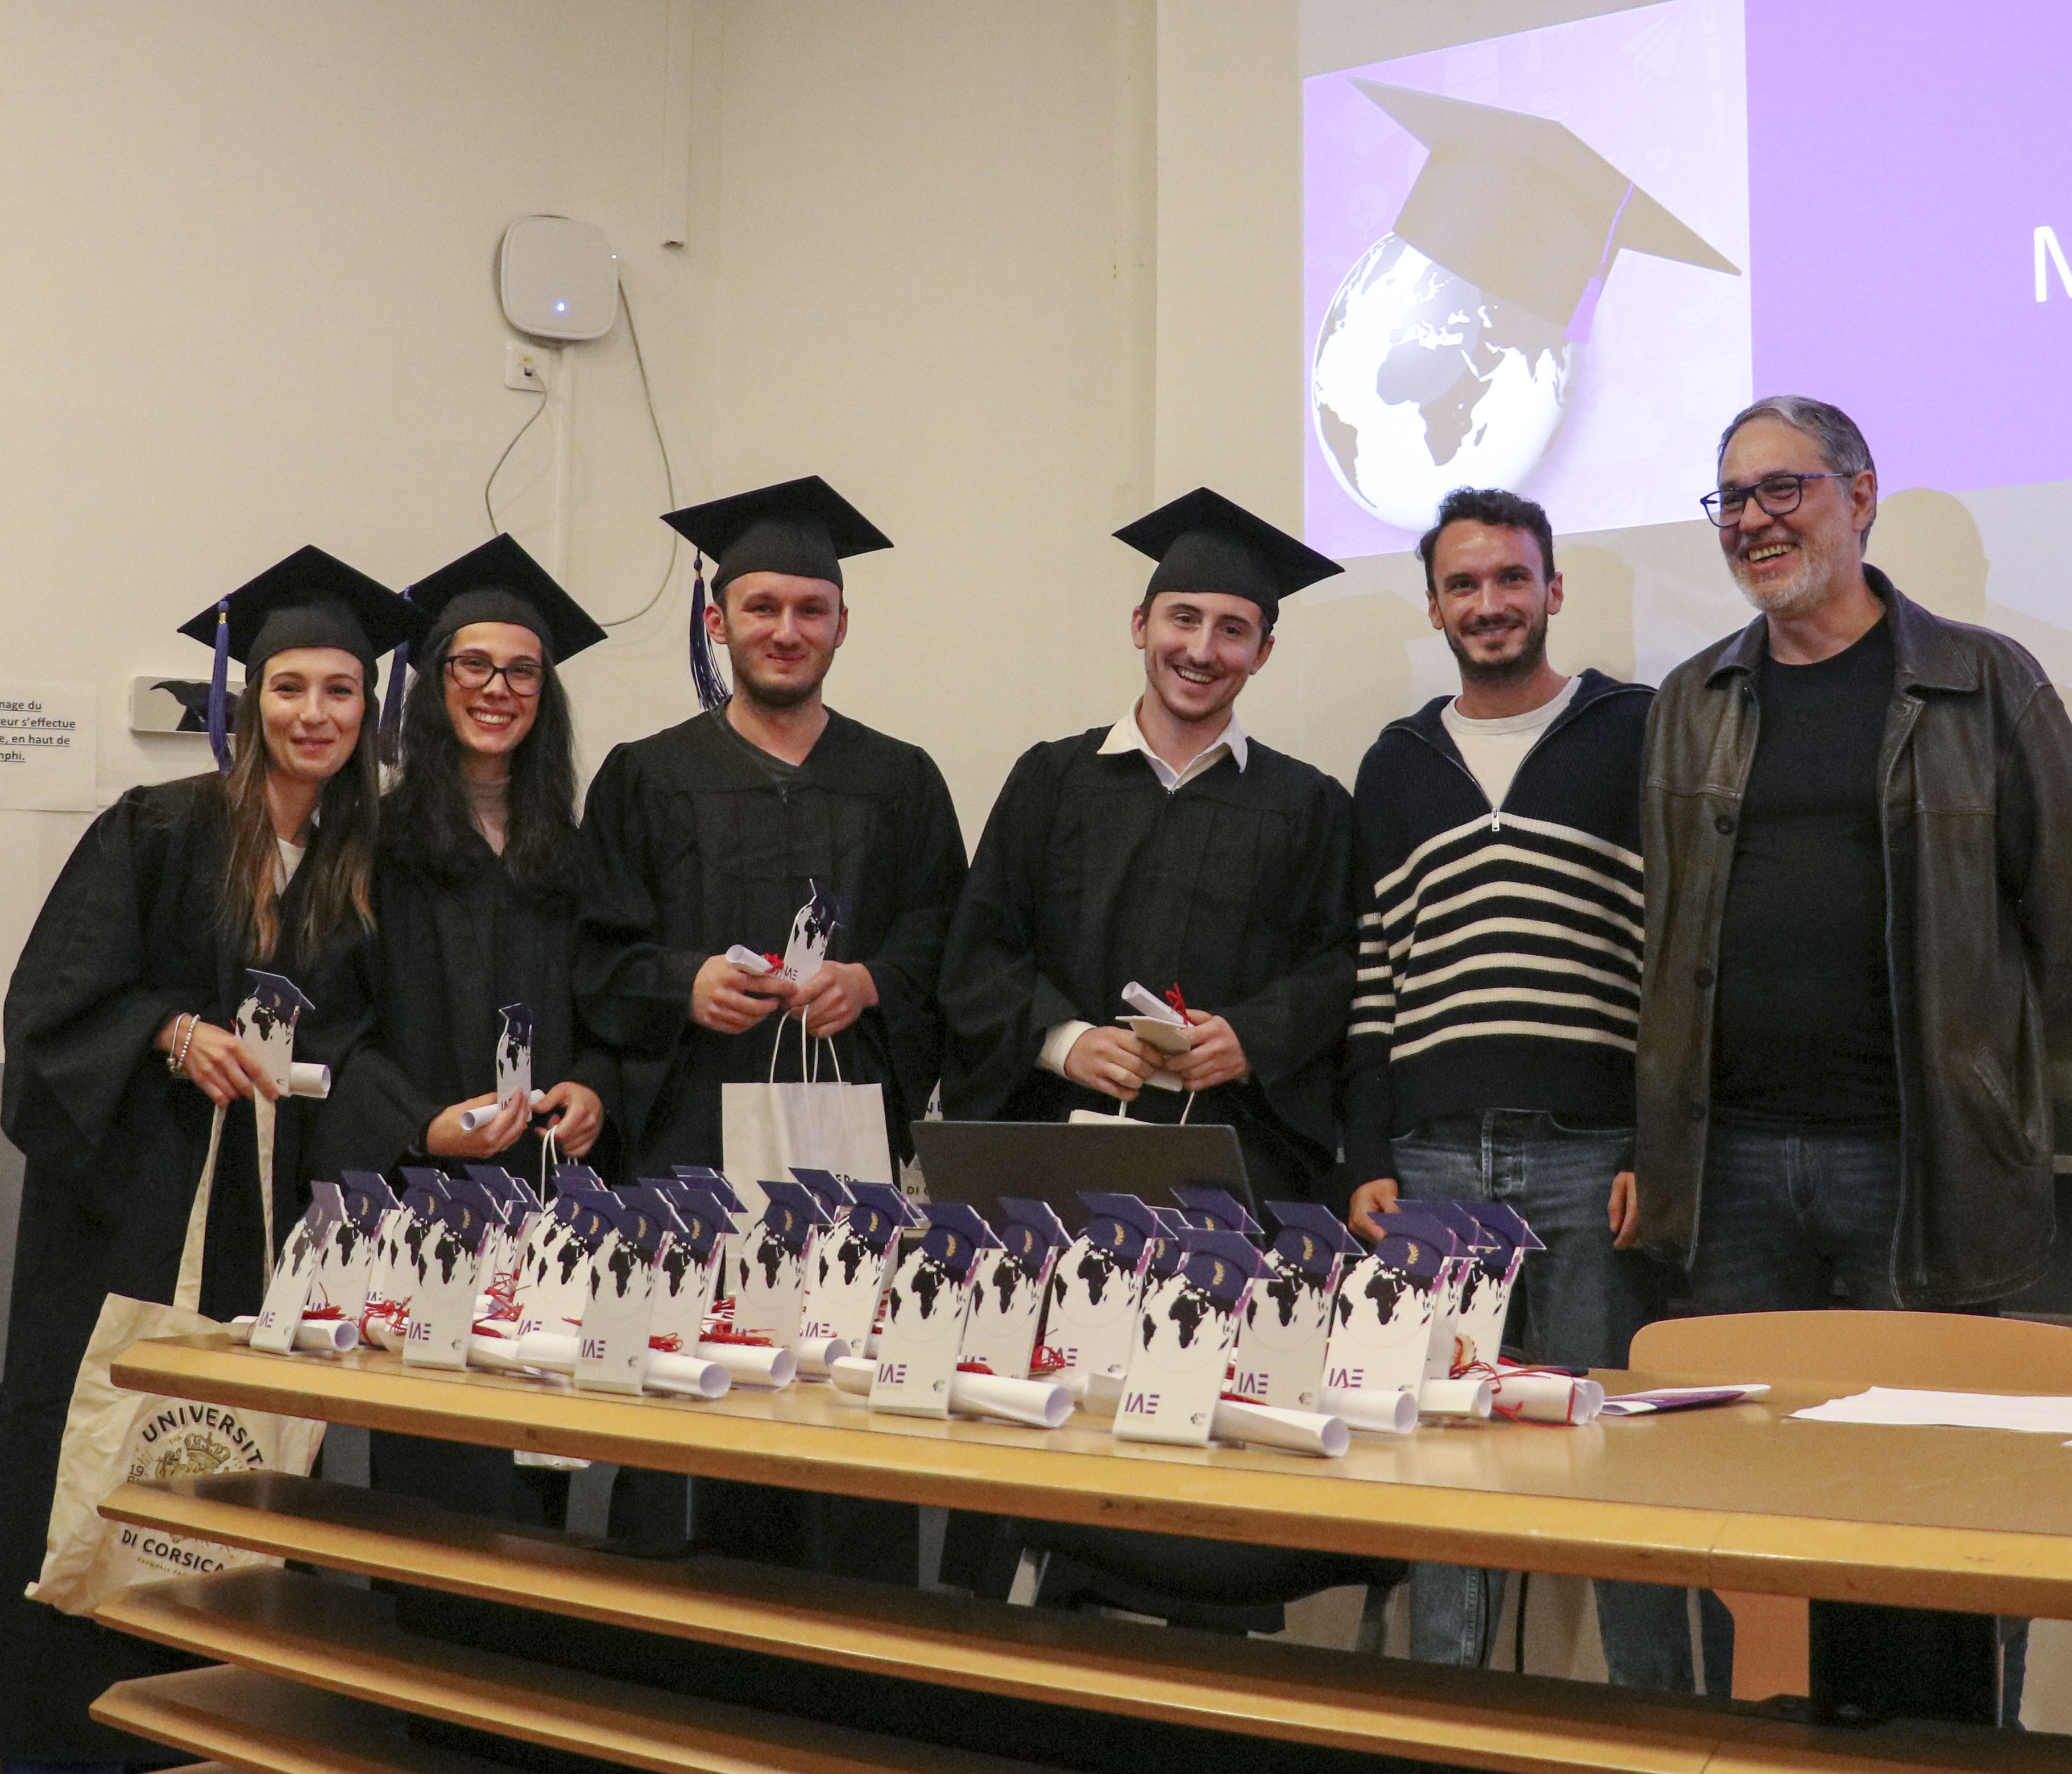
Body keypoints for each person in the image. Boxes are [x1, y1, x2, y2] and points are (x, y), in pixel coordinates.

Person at [1618, 396, 2072, 1699]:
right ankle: (1760, 1761)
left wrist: (1976, 1055)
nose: (1754, 520)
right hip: (1728, 1170)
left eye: (1782, 489)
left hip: (1916, 1163)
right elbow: (1665, 934)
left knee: (1944, 1494)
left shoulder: (1985, 682)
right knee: (1739, 1504)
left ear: (1861, 495)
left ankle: (1949, 1763)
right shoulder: (1692, 700)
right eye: (1733, 497)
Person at [0, 547, 421, 1774]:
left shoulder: (363, 863)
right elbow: (54, 1006)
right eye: (290, 686)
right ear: (247, 697)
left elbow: (372, 1046)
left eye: (341, 690)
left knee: (230, 1509)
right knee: (92, 1495)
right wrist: (171, 1031)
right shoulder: (157, 829)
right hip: (125, 1216)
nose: (316, 713)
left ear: (369, 709)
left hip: (269, 1232)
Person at [570, 476, 964, 1578]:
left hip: (843, 1158)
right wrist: (681, 981)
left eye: (809, 608)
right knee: (683, 1420)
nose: (786, 629)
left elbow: (953, 942)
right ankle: (670, 1650)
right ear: (718, 620)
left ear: (841, 623)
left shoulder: (901, 781)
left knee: (839, 1409)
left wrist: (873, 982)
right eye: (761, 607)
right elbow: (592, 955)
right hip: (686, 1151)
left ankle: (843, 1654)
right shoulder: (647, 778)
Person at [1341, 487, 1650, 1668]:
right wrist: (1367, 1153)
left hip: (1590, 1154)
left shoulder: (1635, 730)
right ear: (1434, 606)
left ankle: (1657, 1723)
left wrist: (1655, 1145)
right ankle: (1446, 1724)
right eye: (1463, 584)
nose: (1489, 603)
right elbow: (1375, 974)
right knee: (1448, 1452)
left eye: (1512, 577)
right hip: (1431, 1163)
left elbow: (1674, 958)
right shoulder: (1396, 763)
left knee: (1613, 1450)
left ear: (1553, 589)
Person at [942, 487, 1356, 1205]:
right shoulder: (1052, 780)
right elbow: (981, 948)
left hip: (1234, 1159)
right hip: (1054, 1145)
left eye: (1233, 629)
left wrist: (1252, 1039)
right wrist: (1064, 1042)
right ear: (1141, 625)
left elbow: (1340, 963)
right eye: (1183, 618)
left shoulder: (1308, 805)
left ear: (1263, 652)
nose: (1201, 650)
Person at [329, 532, 615, 1523]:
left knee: (535, 1477)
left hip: (547, 1197)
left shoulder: (570, 853)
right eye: (474, 665)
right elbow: (337, 1025)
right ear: (434, 682)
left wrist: (593, 1085)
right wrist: (420, 1126)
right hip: (423, 1199)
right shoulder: (374, 844)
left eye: (522, 670)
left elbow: (613, 1001)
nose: (499, 689)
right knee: (435, 1479)